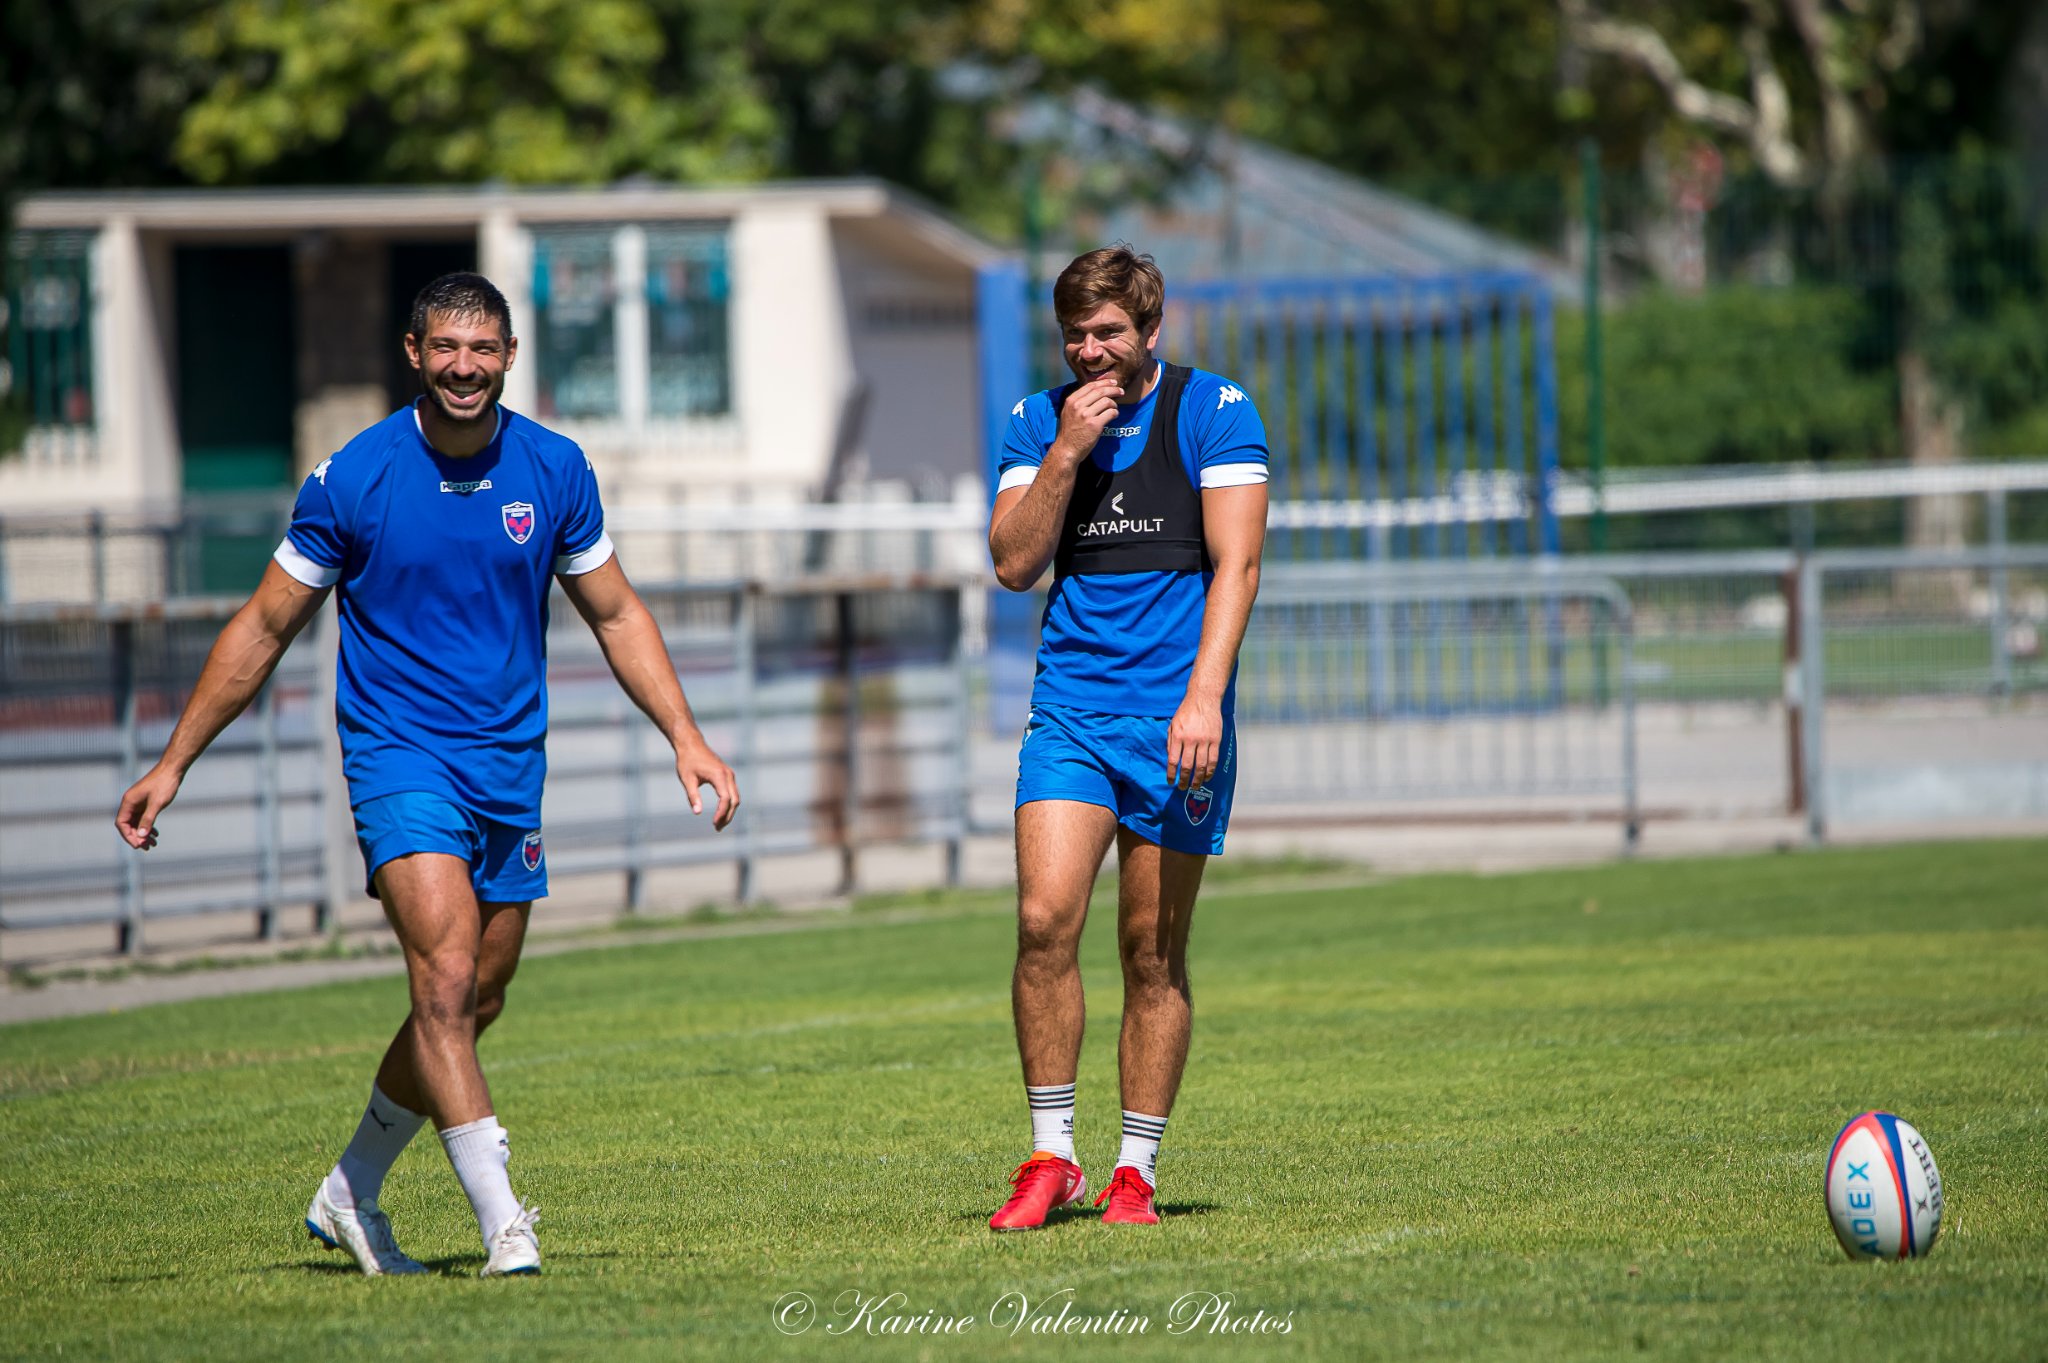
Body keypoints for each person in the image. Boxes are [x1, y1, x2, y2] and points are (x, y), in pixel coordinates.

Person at [114, 273, 739, 1277]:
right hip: (398, 756)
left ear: (507, 356)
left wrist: (686, 737)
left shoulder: (553, 467)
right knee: (443, 981)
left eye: (481, 349)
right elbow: (267, 624)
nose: (463, 366)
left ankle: (351, 1189)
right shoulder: (352, 478)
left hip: (508, 767)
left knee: (476, 998)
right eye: (444, 347)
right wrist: (173, 761)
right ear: (413, 352)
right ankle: (506, 1226)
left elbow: (614, 612)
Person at [984, 246, 1268, 1230]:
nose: (1089, 351)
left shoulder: (1214, 411)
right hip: (1069, 713)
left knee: (1150, 949)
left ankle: (1134, 1169)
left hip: (1177, 721)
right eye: (1074, 335)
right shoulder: (1035, 420)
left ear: (1150, 328)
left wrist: (1202, 700)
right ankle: (1050, 1156)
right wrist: (1065, 450)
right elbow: (1012, 565)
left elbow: (1235, 568)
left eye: (1107, 332)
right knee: (1039, 921)